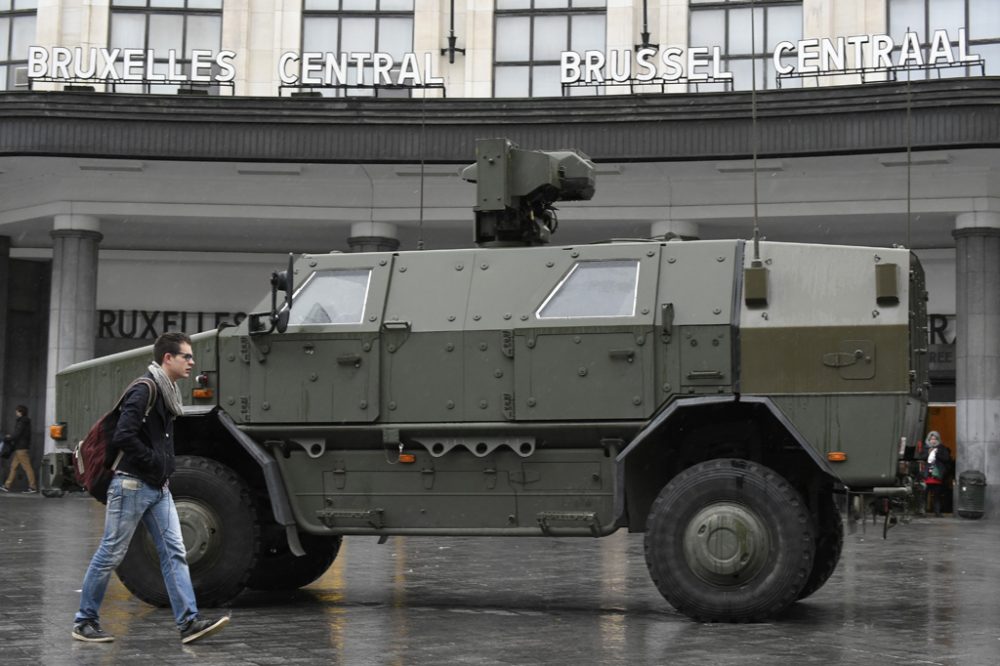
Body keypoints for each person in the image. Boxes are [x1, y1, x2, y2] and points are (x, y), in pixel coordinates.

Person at [72, 332, 230, 644]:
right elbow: (123, 435)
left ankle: (189, 623)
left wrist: (160, 470)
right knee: (111, 553)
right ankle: (84, 621)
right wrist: (154, 463)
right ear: (167, 358)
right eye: (186, 356)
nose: (192, 362)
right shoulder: (145, 389)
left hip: (158, 488)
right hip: (131, 485)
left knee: (174, 553)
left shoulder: (167, 391)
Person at [2, 405, 37, 493]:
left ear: (20, 412)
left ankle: (32, 487)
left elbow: (17, 434)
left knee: (27, 467)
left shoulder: (22, 421)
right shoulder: (24, 421)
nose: (16, 412)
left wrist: (8, 438)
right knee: (13, 467)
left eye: (17, 411)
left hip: (21, 448)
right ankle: (7, 486)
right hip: (20, 448)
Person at [924, 430, 952, 518]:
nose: (933, 441)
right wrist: (928, 453)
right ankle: (922, 511)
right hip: (927, 475)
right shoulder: (926, 448)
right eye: (931, 439)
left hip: (937, 476)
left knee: (937, 495)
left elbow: (946, 458)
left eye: (935, 439)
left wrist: (936, 454)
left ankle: (937, 512)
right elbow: (920, 457)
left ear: (938, 440)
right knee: (924, 494)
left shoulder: (941, 448)